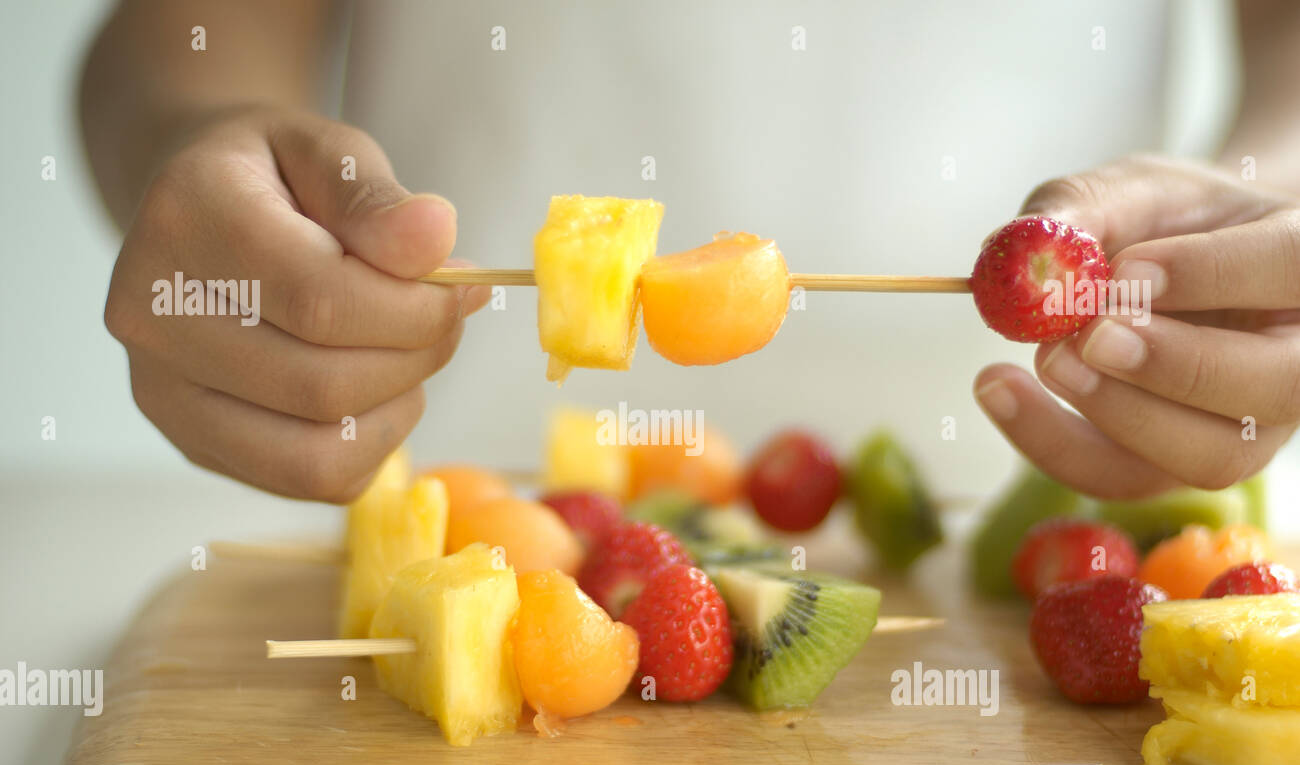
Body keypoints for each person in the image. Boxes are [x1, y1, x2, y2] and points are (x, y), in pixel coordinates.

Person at [80, 1, 1300, 503]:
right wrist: (199, 142)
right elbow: (185, 28)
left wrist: (1266, 198)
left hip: (1044, 483)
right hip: (452, 475)